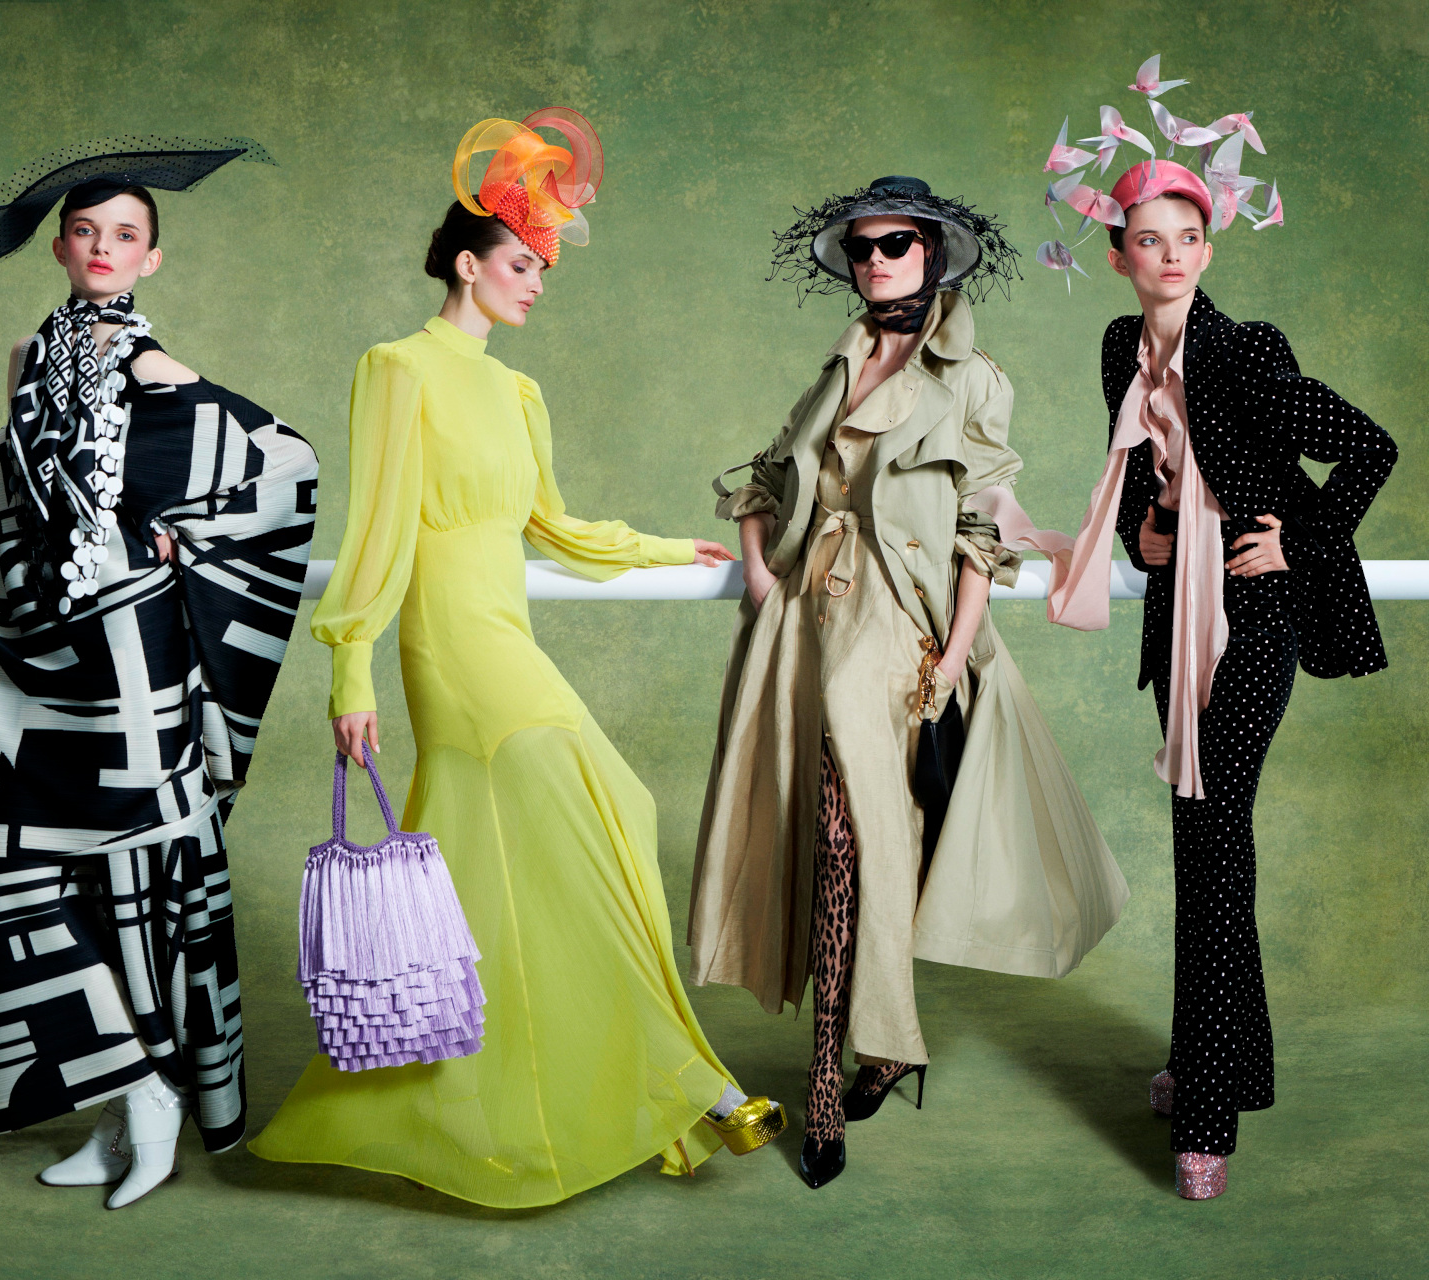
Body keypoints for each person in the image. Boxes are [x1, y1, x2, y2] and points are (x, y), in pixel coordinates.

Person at [249, 110, 785, 1209]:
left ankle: (651, 1079)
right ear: (467, 260)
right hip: (450, 650)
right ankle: (702, 1082)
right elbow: (379, 528)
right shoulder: (398, 367)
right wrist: (350, 670)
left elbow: (552, 524)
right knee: (589, 794)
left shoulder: (518, 390)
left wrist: (657, 547)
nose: (536, 282)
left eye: (544, 267)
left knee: (590, 828)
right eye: (521, 263)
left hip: (508, 627)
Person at [0, 138, 316, 1210]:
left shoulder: (158, 368)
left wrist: (189, 538)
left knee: (136, 873)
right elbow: (2, 499)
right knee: (43, 868)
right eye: (87, 232)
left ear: (151, 258)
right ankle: (113, 1107)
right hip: (45, 651)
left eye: (126, 235)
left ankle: (158, 1095)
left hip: (135, 657)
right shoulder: (29, 355)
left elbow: (284, 464)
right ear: (62, 247)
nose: (104, 249)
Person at [688, 176, 1127, 1189]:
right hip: (806, 619)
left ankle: (832, 1089)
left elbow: (980, 531)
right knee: (827, 830)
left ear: (935, 253)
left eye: (896, 243)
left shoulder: (976, 379)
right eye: (863, 246)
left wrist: (951, 651)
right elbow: (767, 474)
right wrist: (759, 564)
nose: (877, 258)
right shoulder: (838, 361)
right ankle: (883, 1047)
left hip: (898, 627)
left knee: (852, 835)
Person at [1047, 158, 1395, 1199]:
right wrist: (1142, 533)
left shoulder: (1246, 354)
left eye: (1183, 238)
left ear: (1207, 248)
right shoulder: (1120, 345)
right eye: (1144, 239)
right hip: (1177, 616)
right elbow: (1139, 477)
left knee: (1211, 840)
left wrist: (1306, 538)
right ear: (1118, 255)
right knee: (1207, 841)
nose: (1166, 256)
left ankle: (1205, 1117)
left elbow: (1370, 447)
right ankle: (1227, 1065)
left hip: (1253, 617)